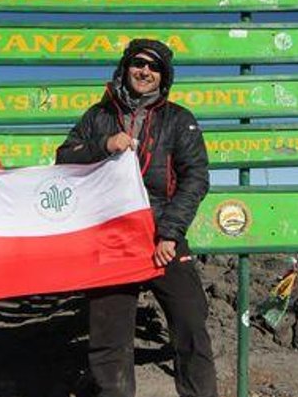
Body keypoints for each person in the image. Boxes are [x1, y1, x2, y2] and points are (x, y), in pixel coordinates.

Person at [56, 39, 218, 397]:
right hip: (111, 237)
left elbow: (196, 178)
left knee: (191, 324)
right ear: (125, 67)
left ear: (164, 76)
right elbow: (64, 158)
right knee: (109, 337)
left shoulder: (180, 120)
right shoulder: (98, 116)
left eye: (154, 67)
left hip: (164, 235)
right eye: (138, 63)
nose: (145, 71)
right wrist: (104, 144)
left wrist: (170, 233)